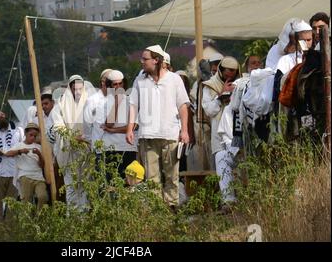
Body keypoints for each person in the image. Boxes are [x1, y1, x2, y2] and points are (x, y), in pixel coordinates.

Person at [127, 44, 190, 211]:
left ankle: (172, 208)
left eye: (145, 59)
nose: (141, 62)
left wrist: (184, 130)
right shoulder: (140, 80)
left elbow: (183, 105)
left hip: (170, 134)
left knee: (171, 176)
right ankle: (157, 212)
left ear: (156, 60)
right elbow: (133, 104)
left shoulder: (174, 79)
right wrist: (130, 128)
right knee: (152, 178)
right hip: (147, 135)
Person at [51, 75, 92, 211]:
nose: (78, 92)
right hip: (69, 153)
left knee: (86, 186)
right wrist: (71, 138)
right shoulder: (60, 106)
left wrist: (86, 138)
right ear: (70, 89)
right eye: (75, 89)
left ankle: (85, 219)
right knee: (72, 187)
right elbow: (58, 127)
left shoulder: (90, 103)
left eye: (80, 89)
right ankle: (74, 219)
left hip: (87, 151)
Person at [201, 57, 241, 194]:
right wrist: (220, 96)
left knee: (242, 163)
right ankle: (227, 200)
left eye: (233, 73)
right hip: (218, 132)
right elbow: (209, 111)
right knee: (221, 164)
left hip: (237, 130)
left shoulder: (240, 84)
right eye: (227, 72)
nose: (230, 76)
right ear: (221, 70)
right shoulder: (210, 85)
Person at [102, 70, 138, 179]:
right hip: (111, 148)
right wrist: (117, 103)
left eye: (120, 83)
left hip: (128, 147)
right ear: (110, 86)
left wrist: (113, 130)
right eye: (115, 84)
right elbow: (109, 123)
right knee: (112, 182)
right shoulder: (105, 102)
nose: (118, 87)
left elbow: (132, 127)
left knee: (129, 182)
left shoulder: (131, 101)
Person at [6, 123, 48, 211]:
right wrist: (20, 151)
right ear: (25, 133)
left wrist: (39, 154)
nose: (32, 137)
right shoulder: (19, 145)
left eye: (35, 136)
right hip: (25, 176)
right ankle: (27, 222)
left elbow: (42, 165)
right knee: (26, 201)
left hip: (38, 177)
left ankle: (39, 219)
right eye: (31, 135)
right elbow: (7, 154)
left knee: (43, 197)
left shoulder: (39, 147)